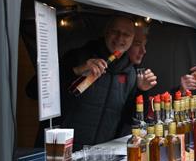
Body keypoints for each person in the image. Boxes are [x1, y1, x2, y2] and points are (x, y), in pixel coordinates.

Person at [59, 15, 156, 150]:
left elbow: (132, 120)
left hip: (103, 153)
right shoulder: (78, 56)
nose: (120, 38)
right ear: (106, 32)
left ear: (132, 39)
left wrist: (142, 91)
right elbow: (36, 91)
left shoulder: (131, 73)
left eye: (126, 35)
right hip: (66, 150)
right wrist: (76, 70)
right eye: (115, 32)